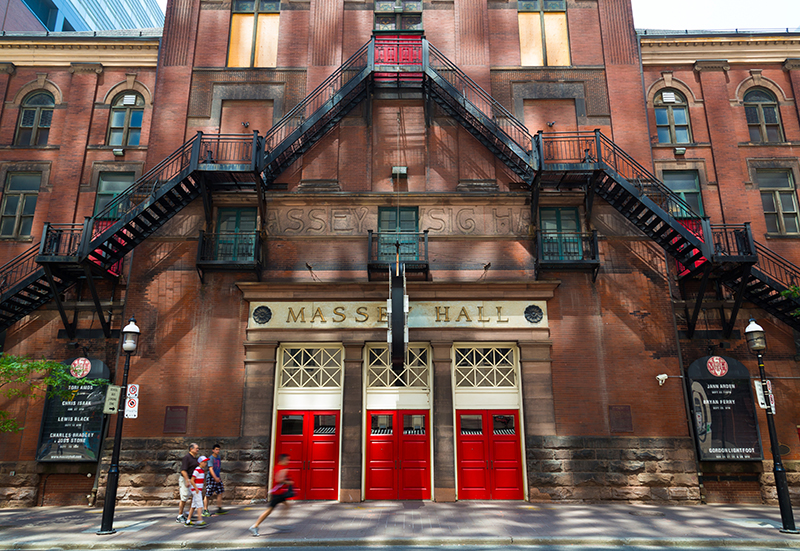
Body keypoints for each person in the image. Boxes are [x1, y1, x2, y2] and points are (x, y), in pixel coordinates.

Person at [248, 454, 294, 536]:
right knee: (269, 511)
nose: (288, 461)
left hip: (279, 493)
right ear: (282, 460)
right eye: (287, 460)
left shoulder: (278, 467)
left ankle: (280, 522)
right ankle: (255, 526)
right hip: (277, 494)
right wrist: (288, 482)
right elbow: (279, 480)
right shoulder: (281, 468)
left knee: (287, 505)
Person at [176, 443, 199, 523]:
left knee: (194, 496)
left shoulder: (194, 458)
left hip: (191, 480)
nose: (198, 449)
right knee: (184, 498)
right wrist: (187, 480)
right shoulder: (187, 457)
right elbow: (183, 470)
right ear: (191, 449)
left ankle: (189, 513)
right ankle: (179, 515)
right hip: (185, 479)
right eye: (196, 448)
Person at [185, 456, 209, 528]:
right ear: (200, 463)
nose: (205, 463)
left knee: (193, 505)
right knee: (200, 504)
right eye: (204, 462)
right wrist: (196, 488)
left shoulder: (202, 470)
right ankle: (200, 520)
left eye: (206, 462)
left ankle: (188, 521)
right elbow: (192, 480)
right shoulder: (197, 470)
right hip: (196, 490)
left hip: (198, 490)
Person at [204, 443, 228, 515]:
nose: (218, 451)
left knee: (220, 492)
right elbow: (210, 469)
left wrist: (218, 478)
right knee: (208, 494)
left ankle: (219, 508)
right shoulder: (210, 458)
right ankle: (205, 509)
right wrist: (215, 478)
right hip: (211, 478)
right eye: (216, 449)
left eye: (218, 449)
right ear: (213, 450)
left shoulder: (218, 457)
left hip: (217, 477)